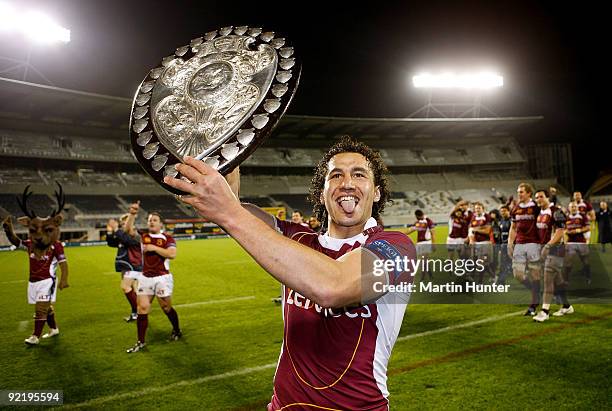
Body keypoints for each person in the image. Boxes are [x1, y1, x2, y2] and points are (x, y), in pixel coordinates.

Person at [165, 136, 416, 410]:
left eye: (359, 174)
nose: (347, 183)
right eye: (336, 175)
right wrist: (225, 157)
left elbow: (335, 286)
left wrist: (230, 213)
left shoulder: (396, 247)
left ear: (376, 192)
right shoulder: (296, 238)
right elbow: (229, 211)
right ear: (322, 193)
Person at [2, 189, 69, 345]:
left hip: (48, 281)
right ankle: (54, 329)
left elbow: (63, 263)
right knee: (47, 307)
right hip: (33, 281)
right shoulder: (31, 245)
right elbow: (16, 242)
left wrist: (64, 279)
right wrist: (8, 230)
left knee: (40, 309)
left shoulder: (56, 245)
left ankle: (35, 336)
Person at [125, 209, 181, 353]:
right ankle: (141, 341)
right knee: (142, 308)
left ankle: (176, 330)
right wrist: (132, 214)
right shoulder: (143, 236)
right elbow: (127, 229)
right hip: (145, 278)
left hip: (162, 278)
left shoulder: (167, 238)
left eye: (154, 220)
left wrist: (154, 248)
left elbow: (172, 254)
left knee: (166, 308)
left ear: (160, 224)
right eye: (150, 220)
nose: (151, 222)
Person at [532, 189, 573, 322]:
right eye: (536, 197)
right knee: (558, 281)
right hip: (545, 249)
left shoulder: (556, 211)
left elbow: (560, 232)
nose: (538, 199)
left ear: (548, 198)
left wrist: (548, 246)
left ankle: (545, 311)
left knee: (548, 280)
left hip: (555, 250)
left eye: (541, 197)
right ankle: (566, 306)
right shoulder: (540, 213)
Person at [508, 183, 541, 316]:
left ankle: (534, 303)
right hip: (520, 244)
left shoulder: (536, 207)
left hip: (533, 243)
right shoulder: (515, 208)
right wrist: (510, 242)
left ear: (529, 193)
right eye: (518, 191)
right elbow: (513, 227)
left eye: (521, 192)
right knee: (518, 274)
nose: (519, 194)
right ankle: (536, 291)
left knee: (535, 274)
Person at [106, 206, 142, 322]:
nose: (123, 225)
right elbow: (111, 243)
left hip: (133, 265)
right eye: (122, 224)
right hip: (126, 266)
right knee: (132, 289)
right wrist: (110, 231)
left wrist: (116, 229)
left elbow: (127, 240)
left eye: (124, 223)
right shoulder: (122, 235)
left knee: (127, 287)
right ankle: (136, 313)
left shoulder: (136, 235)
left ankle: (139, 312)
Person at [565, 201, 591, 285]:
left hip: (581, 242)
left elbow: (588, 227)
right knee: (568, 261)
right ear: (569, 208)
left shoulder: (582, 216)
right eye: (572, 207)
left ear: (577, 208)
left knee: (585, 261)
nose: (573, 208)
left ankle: (588, 277)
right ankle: (566, 279)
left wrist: (577, 230)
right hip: (570, 243)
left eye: (575, 206)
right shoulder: (566, 217)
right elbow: (563, 229)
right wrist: (567, 232)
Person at [407, 209, 435, 281]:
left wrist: (434, 244)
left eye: (417, 217)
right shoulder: (417, 222)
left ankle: (422, 278)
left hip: (427, 243)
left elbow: (433, 233)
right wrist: (400, 234)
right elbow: (410, 230)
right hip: (419, 243)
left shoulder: (429, 221)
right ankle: (430, 275)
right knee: (425, 260)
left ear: (420, 215)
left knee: (423, 260)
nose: (417, 218)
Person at [469, 202, 493, 283]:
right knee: (478, 263)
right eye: (476, 208)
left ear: (483, 209)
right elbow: (471, 231)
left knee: (481, 263)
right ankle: (493, 276)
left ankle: (480, 282)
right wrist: (471, 240)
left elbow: (487, 231)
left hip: (485, 243)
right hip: (476, 243)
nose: (477, 210)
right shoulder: (474, 217)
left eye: (479, 208)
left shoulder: (487, 217)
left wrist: (476, 229)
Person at [496, 205, 512, 285]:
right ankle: (501, 281)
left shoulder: (512, 220)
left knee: (511, 264)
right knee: (503, 263)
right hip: (503, 245)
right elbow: (500, 234)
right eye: (501, 211)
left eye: (504, 211)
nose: (503, 213)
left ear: (509, 211)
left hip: (511, 245)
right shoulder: (501, 221)